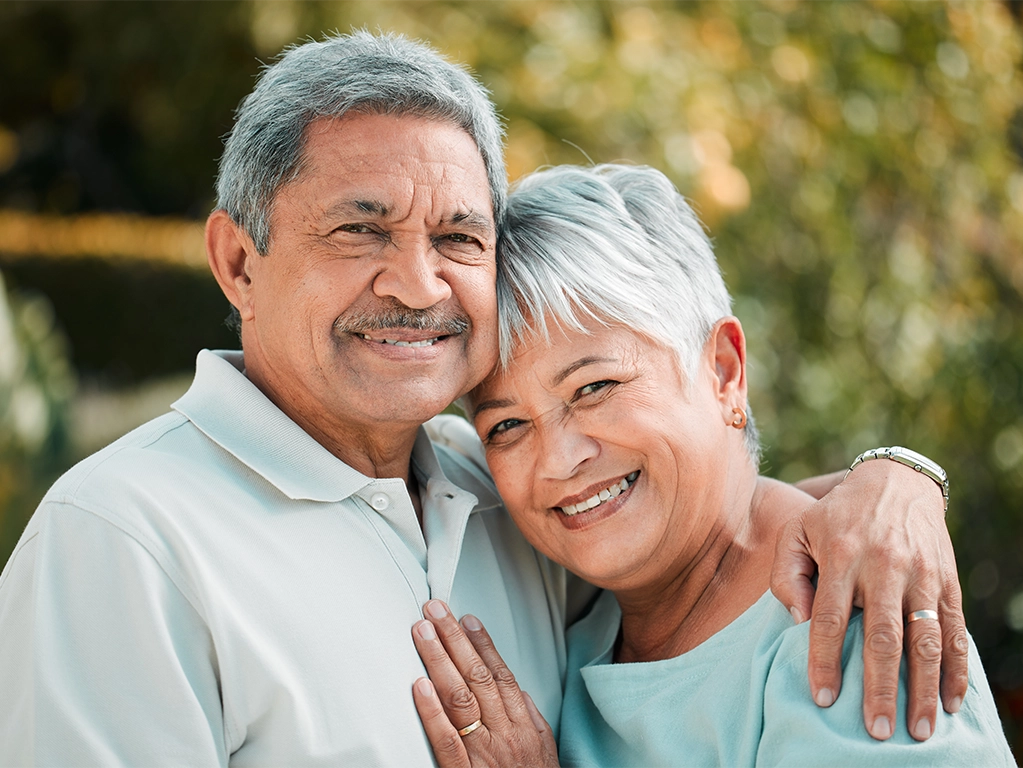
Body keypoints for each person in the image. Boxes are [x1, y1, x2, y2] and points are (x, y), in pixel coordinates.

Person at [0, 31, 963, 766]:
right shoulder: (121, 542)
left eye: (459, 237)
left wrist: (896, 485)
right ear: (238, 263)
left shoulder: (498, 492)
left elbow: (694, 516)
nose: (417, 285)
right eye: (360, 230)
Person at [410, 163, 1015, 767]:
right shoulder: (587, 616)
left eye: (594, 387)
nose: (559, 462)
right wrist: (898, 475)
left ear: (724, 371)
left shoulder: (847, 615)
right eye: (507, 425)